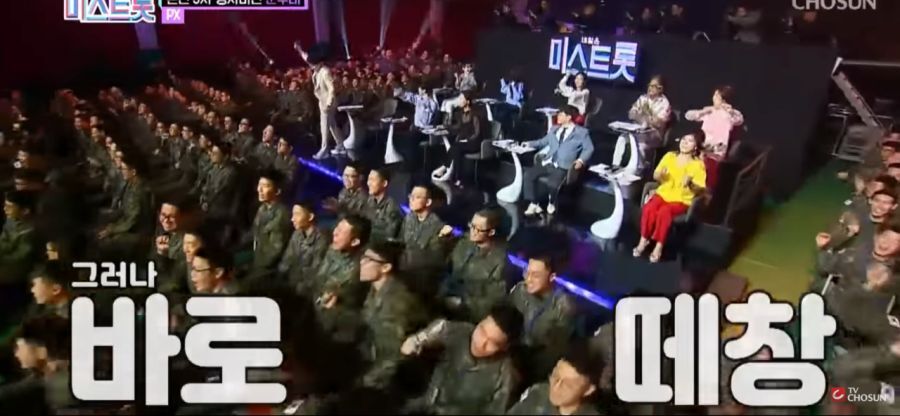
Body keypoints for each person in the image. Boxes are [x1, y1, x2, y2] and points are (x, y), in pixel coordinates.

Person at [400, 304, 522, 414]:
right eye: (482, 330)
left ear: (504, 347)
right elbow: (439, 328)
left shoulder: (504, 379)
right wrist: (417, 340)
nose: (481, 342)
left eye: (493, 342)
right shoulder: (461, 331)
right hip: (424, 401)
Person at [357, 240, 429, 390]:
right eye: (363, 257)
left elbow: (392, 358)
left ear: (386, 267)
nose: (362, 262)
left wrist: (363, 384)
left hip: (389, 380)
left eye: (368, 259)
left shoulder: (397, 303)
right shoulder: (376, 289)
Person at [634, 132, 707, 263]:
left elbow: (700, 189)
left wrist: (690, 184)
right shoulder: (669, 156)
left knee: (664, 212)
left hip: (681, 199)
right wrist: (660, 176)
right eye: (684, 139)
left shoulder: (698, 165)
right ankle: (643, 240)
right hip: (663, 194)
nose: (685, 143)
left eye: (690, 141)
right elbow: (656, 175)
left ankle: (659, 246)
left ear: (696, 147)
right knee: (649, 208)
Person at [508, 256, 577, 382]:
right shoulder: (520, 290)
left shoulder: (564, 307)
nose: (528, 279)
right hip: (509, 355)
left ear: (552, 277)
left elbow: (554, 353)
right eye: (527, 273)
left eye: (535, 275)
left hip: (536, 369)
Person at [522, 105, 593, 217]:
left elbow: (589, 148)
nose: (558, 116)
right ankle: (534, 203)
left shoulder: (581, 133)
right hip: (548, 162)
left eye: (561, 115)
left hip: (563, 165)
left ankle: (551, 202)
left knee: (552, 184)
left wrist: (581, 160)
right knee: (528, 175)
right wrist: (529, 144)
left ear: (569, 117)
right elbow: (543, 142)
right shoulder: (554, 129)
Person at [439, 209, 508, 322]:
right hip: (443, 301)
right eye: (471, 226)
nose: (473, 231)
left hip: (469, 316)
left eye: (478, 229)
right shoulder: (463, 242)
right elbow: (445, 268)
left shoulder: (500, 262)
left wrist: (462, 304)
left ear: (491, 232)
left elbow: (493, 302)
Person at [314, 215, 371, 343]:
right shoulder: (333, 250)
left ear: (354, 242)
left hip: (340, 321)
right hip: (319, 309)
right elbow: (319, 278)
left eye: (341, 231)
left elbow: (338, 293)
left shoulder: (360, 267)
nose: (335, 233)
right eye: (337, 228)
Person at [508, 342, 603, 415]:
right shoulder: (537, 393)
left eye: (567, 385)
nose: (556, 387)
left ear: (588, 390)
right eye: (555, 376)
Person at [685, 85, 745, 191]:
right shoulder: (709, 111)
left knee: (708, 173)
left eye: (718, 96)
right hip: (701, 148)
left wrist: (730, 111)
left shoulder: (729, 114)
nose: (715, 98)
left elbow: (739, 120)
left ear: (724, 100)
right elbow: (688, 115)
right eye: (715, 95)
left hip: (716, 151)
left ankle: (706, 193)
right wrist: (703, 112)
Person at [295, 41, 344, 159]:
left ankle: (324, 149)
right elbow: (306, 58)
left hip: (328, 103)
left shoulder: (325, 71)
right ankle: (341, 145)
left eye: (312, 63)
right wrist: (299, 49)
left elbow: (332, 88)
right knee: (332, 125)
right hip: (322, 102)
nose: (310, 64)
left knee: (324, 126)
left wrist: (329, 103)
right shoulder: (317, 69)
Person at [399, 183, 447, 298]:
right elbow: (401, 242)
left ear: (428, 202)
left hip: (423, 278)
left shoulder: (437, 226)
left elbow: (435, 258)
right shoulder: (409, 218)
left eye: (417, 197)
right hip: (403, 271)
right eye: (411, 196)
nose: (411, 200)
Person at [818, 188, 898, 253]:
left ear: (894, 206)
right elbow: (846, 213)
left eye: (886, 203)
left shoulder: (890, 228)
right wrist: (849, 227)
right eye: (877, 200)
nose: (879, 206)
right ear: (870, 201)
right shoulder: (856, 216)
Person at [431, 92, 482, 185]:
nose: (459, 101)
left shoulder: (475, 114)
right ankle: (457, 177)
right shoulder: (461, 114)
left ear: (467, 101)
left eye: (461, 99)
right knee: (456, 149)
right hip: (464, 142)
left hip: (474, 143)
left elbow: (477, 133)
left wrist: (467, 140)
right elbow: (457, 127)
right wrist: (445, 126)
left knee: (456, 147)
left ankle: (446, 169)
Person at [248, 170, 292, 274]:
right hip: (257, 258)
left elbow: (275, 251)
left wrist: (258, 269)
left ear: (277, 191)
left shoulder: (281, 215)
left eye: (265, 186)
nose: (259, 189)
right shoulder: (262, 208)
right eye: (259, 185)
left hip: (269, 268)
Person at [279, 201, 329, 287]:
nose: (292, 219)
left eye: (297, 214)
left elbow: (316, 270)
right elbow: (287, 259)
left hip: (309, 287)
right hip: (292, 283)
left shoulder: (321, 239)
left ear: (310, 216)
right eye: (293, 215)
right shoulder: (296, 234)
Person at [628, 75, 672, 167]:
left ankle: (638, 170)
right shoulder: (642, 98)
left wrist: (643, 116)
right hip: (638, 130)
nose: (650, 88)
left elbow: (659, 124)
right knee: (622, 139)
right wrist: (643, 117)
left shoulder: (665, 103)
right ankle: (615, 167)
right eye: (649, 85)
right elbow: (631, 114)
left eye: (653, 86)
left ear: (660, 89)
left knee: (640, 144)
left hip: (654, 134)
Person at [362, 167, 403, 243]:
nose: (368, 183)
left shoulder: (392, 207)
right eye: (368, 179)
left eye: (373, 180)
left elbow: (389, 234)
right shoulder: (368, 201)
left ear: (384, 183)